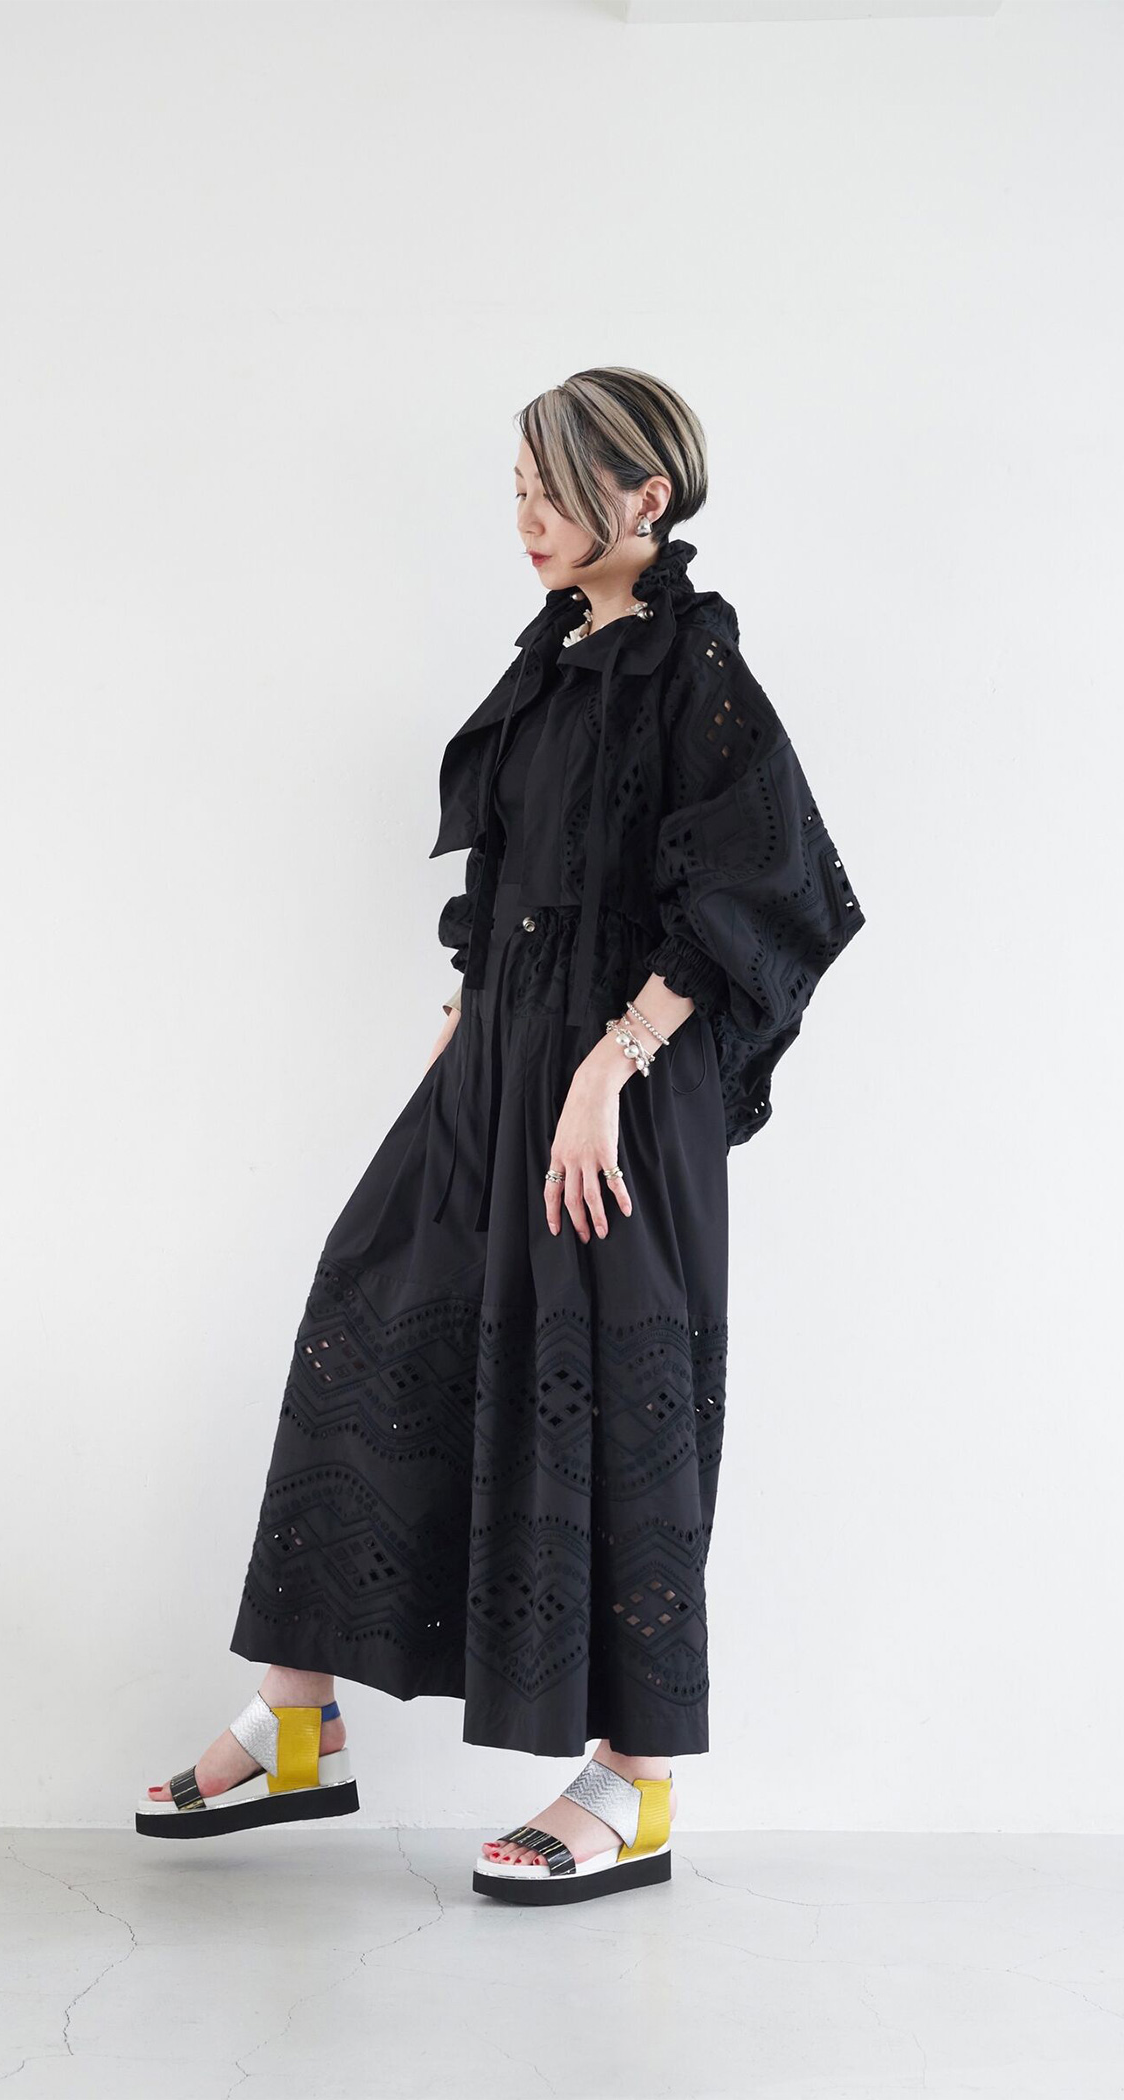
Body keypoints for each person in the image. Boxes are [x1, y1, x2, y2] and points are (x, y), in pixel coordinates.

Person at [136, 366, 866, 1906]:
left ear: (646, 497)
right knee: (369, 1310)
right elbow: (522, 878)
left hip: (618, 1097)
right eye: (517, 489)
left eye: (555, 490)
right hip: (498, 1071)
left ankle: (636, 1782)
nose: (526, 518)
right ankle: (296, 1722)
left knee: (610, 1393)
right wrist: (468, 1023)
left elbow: (774, 887)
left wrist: (613, 1065)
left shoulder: (697, 672)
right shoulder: (553, 660)